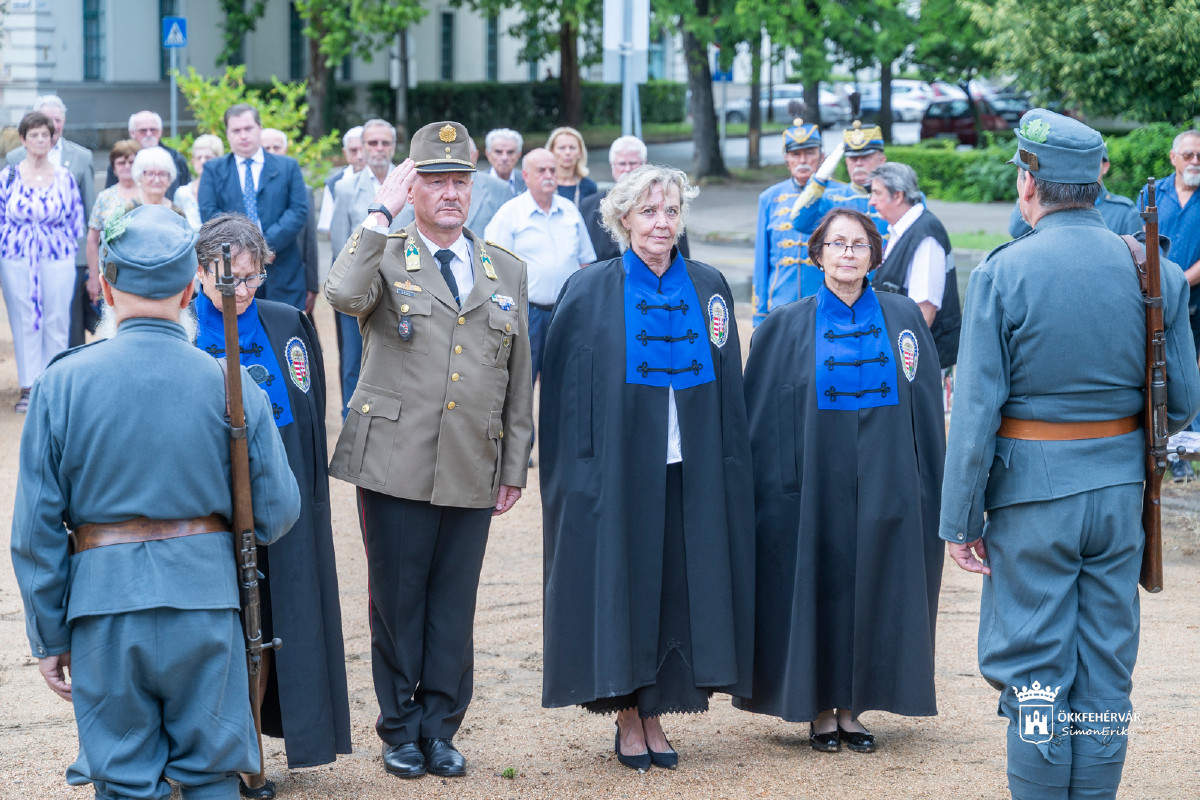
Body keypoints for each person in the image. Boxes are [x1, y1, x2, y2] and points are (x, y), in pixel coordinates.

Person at [941, 109, 1200, 800]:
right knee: (1106, 665)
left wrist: (959, 521)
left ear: (1030, 183)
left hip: (1031, 500)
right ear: (1094, 183)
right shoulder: (1154, 270)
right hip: (1119, 498)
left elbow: (975, 418)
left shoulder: (1004, 272)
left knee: (1034, 667)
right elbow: (1181, 402)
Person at [10, 203, 300, 800]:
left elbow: (35, 529)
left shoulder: (61, 382)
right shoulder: (231, 384)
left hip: (103, 611)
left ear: (105, 286)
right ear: (191, 287)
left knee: (122, 780)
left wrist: (50, 635)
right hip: (207, 605)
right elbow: (277, 513)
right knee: (212, 776)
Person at [324, 121, 533, 780]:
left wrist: (514, 465)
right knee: (397, 601)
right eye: (435, 181)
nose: (449, 193)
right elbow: (341, 293)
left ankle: (440, 727)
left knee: (452, 603)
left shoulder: (504, 269)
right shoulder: (385, 254)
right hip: (396, 459)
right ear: (411, 188)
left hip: (472, 460)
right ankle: (399, 728)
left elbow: (518, 378)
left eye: (459, 181)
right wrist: (379, 212)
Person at [539, 163, 754, 770]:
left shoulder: (709, 285)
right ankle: (629, 714)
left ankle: (657, 708)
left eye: (671, 211)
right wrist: (576, 474)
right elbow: (566, 393)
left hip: (689, 467)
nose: (662, 223)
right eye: (649, 211)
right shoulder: (590, 288)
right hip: (618, 471)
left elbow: (728, 385)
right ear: (623, 219)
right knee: (627, 585)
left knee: (675, 588)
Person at [735, 207, 945, 754]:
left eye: (859, 244)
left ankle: (852, 707)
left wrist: (929, 484)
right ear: (818, 254)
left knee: (876, 584)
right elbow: (761, 417)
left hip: (886, 480)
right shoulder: (783, 324)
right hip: (812, 485)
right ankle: (819, 708)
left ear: (875, 255)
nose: (848, 253)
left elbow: (924, 406)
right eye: (837, 244)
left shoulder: (903, 318)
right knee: (817, 582)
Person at [192, 214, 351, 798]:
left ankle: (252, 747)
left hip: (280, 503)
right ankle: (207, 754)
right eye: (230, 278)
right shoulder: (182, 331)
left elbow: (309, 422)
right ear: (200, 273)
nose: (243, 290)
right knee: (221, 629)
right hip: (209, 507)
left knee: (271, 627)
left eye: (253, 276)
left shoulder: (288, 324)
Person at [485, 148, 595, 387]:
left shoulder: (569, 210)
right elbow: (492, 267)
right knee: (522, 384)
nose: (549, 176)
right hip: (527, 314)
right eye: (541, 170)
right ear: (525, 176)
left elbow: (585, 261)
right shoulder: (510, 214)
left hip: (565, 312)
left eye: (553, 170)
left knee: (564, 382)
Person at [0, 111, 86, 412]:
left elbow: (76, 220)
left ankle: (53, 382)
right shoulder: (8, 176)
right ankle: (29, 385)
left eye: (45, 135)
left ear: (52, 139)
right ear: (23, 139)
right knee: (24, 318)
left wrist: (57, 242)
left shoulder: (64, 176)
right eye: (33, 134)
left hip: (56, 254)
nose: (40, 139)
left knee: (57, 317)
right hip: (17, 255)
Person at [199, 103, 310, 312]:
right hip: (233, 273)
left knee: (282, 327)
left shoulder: (288, 167)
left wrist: (264, 248)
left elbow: (298, 211)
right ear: (227, 134)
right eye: (236, 130)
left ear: (259, 128)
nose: (243, 135)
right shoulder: (213, 170)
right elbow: (210, 213)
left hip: (282, 268)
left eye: (248, 128)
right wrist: (244, 252)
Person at [5, 95, 96, 347]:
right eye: (47, 119)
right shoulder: (13, 159)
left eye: (58, 120)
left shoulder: (82, 157)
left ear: (64, 122)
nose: (53, 125)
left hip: (70, 257)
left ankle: (69, 370)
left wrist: (91, 266)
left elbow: (89, 214)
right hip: (26, 256)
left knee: (70, 324)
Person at [1139, 129, 1200, 480]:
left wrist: (1177, 282)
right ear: (1173, 158)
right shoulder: (1152, 193)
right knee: (1158, 372)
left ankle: (1186, 452)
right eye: (1188, 155)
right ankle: (1163, 448)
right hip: (1154, 298)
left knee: (1189, 374)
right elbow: (1139, 241)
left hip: (1194, 299)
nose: (1195, 161)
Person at [328, 118, 398, 414]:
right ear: (364, 147)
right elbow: (339, 243)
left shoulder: (411, 185)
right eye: (373, 143)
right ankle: (350, 423)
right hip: (358, 289)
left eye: (385, 142)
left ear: (394, 146)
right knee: (353, 363)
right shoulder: (345, 188)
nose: (379, 148)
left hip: (401, 290)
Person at [868, 162, 961, 368]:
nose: (871, 201)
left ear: (898, 196)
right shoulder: (904, 229)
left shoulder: (924, 235)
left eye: (877, 193)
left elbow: (923, 313)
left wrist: (896, 361)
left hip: (922, 363)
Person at [752, 118, 829, 326]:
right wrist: (759, 314)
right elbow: (761, 260)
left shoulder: (837, 194)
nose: (802, 160)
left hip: (825, 305)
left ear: (821, 156)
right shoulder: (769, 198)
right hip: (781, 305)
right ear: (787, 159)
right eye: (795, 154)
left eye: (809, 153)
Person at [581, 135, 691, 263]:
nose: (628, 169)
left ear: (644, 164)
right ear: (612, 166)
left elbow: (683, 259)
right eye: (622, 163)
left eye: (633, 163)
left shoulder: (668, 204)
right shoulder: (588, 206)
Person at [1009, 144, 1141, 239]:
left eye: (1091, 164)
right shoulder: (1054, 199)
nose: (1083, 169)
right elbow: (1016, 230)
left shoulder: (1124, 212)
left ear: (1105, 167)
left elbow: (1136, 260)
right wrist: (1029, 191)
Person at [790, 121, 891, 242]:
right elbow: (800, 223)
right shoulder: (832, 198)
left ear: (882, 160)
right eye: (853, 158)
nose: (858, 163)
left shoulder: (897, 197)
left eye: (865, 157)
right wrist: (818, 180)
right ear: (847, 162)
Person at [259, 128, 319, 317]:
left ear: (285, 150)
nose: (271, 152)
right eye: (266, 148)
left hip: (291, 281)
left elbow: (310, 242)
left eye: (276, 147)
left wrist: (312, 285)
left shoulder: (303, 191)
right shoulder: (250, 189)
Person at [85, 140, 142, 307]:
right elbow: (92, 240)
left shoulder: (148, 193)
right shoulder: (105, 197)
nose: (127, 166)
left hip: (143, 269)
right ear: (114, 167)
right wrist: (94, 277)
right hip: (111, 271)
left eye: (132, 162)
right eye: (121, 162)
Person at [106, 110, 190, 198]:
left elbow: (186, 194)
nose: (149, 134)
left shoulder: (175, 158)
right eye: (143, 130)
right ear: (132, 133)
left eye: (153, 129)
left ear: (160, 131)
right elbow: (110, 196)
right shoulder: (121, 162)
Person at [317, 125, 365, 240]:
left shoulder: (387, 178)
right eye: (354, 151)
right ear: (345, 153)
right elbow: (330, 229)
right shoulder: (334, 183)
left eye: (363, 149)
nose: (360, 156)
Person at [174, 134, 225, 231]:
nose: (202, 161)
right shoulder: (182, 193)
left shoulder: (226, 190)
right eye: (198, 157)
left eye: (208, 157)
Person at [545, 126, 597, 206]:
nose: (567, 152)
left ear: (580, 152)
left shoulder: (589, 186)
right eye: (562, 148)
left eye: (572, 148)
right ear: (551, 151)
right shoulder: (543, 184)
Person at [485, 127, 525, 196]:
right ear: (488, 154)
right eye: (498, 152)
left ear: (518, 155)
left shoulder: (528, 182)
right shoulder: (475, 183)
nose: (504, 158)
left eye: (510, 152)